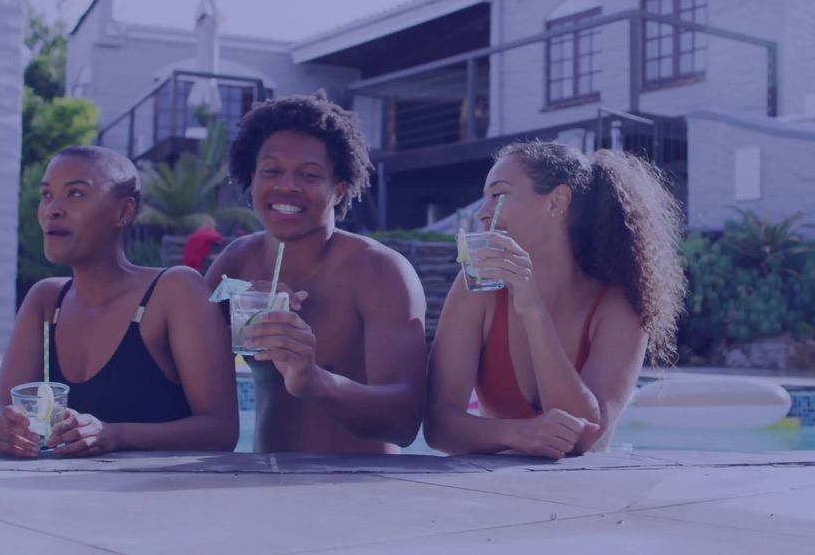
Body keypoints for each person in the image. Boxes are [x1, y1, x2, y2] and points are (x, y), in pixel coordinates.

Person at [424, 142, 685, 459]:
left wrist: (533, 312)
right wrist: (520, 433)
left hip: (580, 496)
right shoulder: (478, 289)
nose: (482, 212)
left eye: (498, 195)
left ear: (557, 202)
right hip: (488, 494)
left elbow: (583, 436)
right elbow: (438, 427)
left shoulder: (618, 304)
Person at [206, 92, 427, 454]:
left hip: (364, 492)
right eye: (271, 171)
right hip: (264, 488)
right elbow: (177, 373)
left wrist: (314, 380)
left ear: (338, 190)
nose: (287, 186)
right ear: (252, 178)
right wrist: (227, 305)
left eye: (309, 174)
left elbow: (405, 421)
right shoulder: (236, 264)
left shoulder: (379, 271)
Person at [0, 146, 239, 458]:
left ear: (124, 212)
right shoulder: (47, 301)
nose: (52, 209)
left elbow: (221, 431)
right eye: (47, 195)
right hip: (59, 500)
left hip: (156, 500)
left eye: (75, 194)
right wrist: (3, 428)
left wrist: (115, 434)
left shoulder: (175, 291)